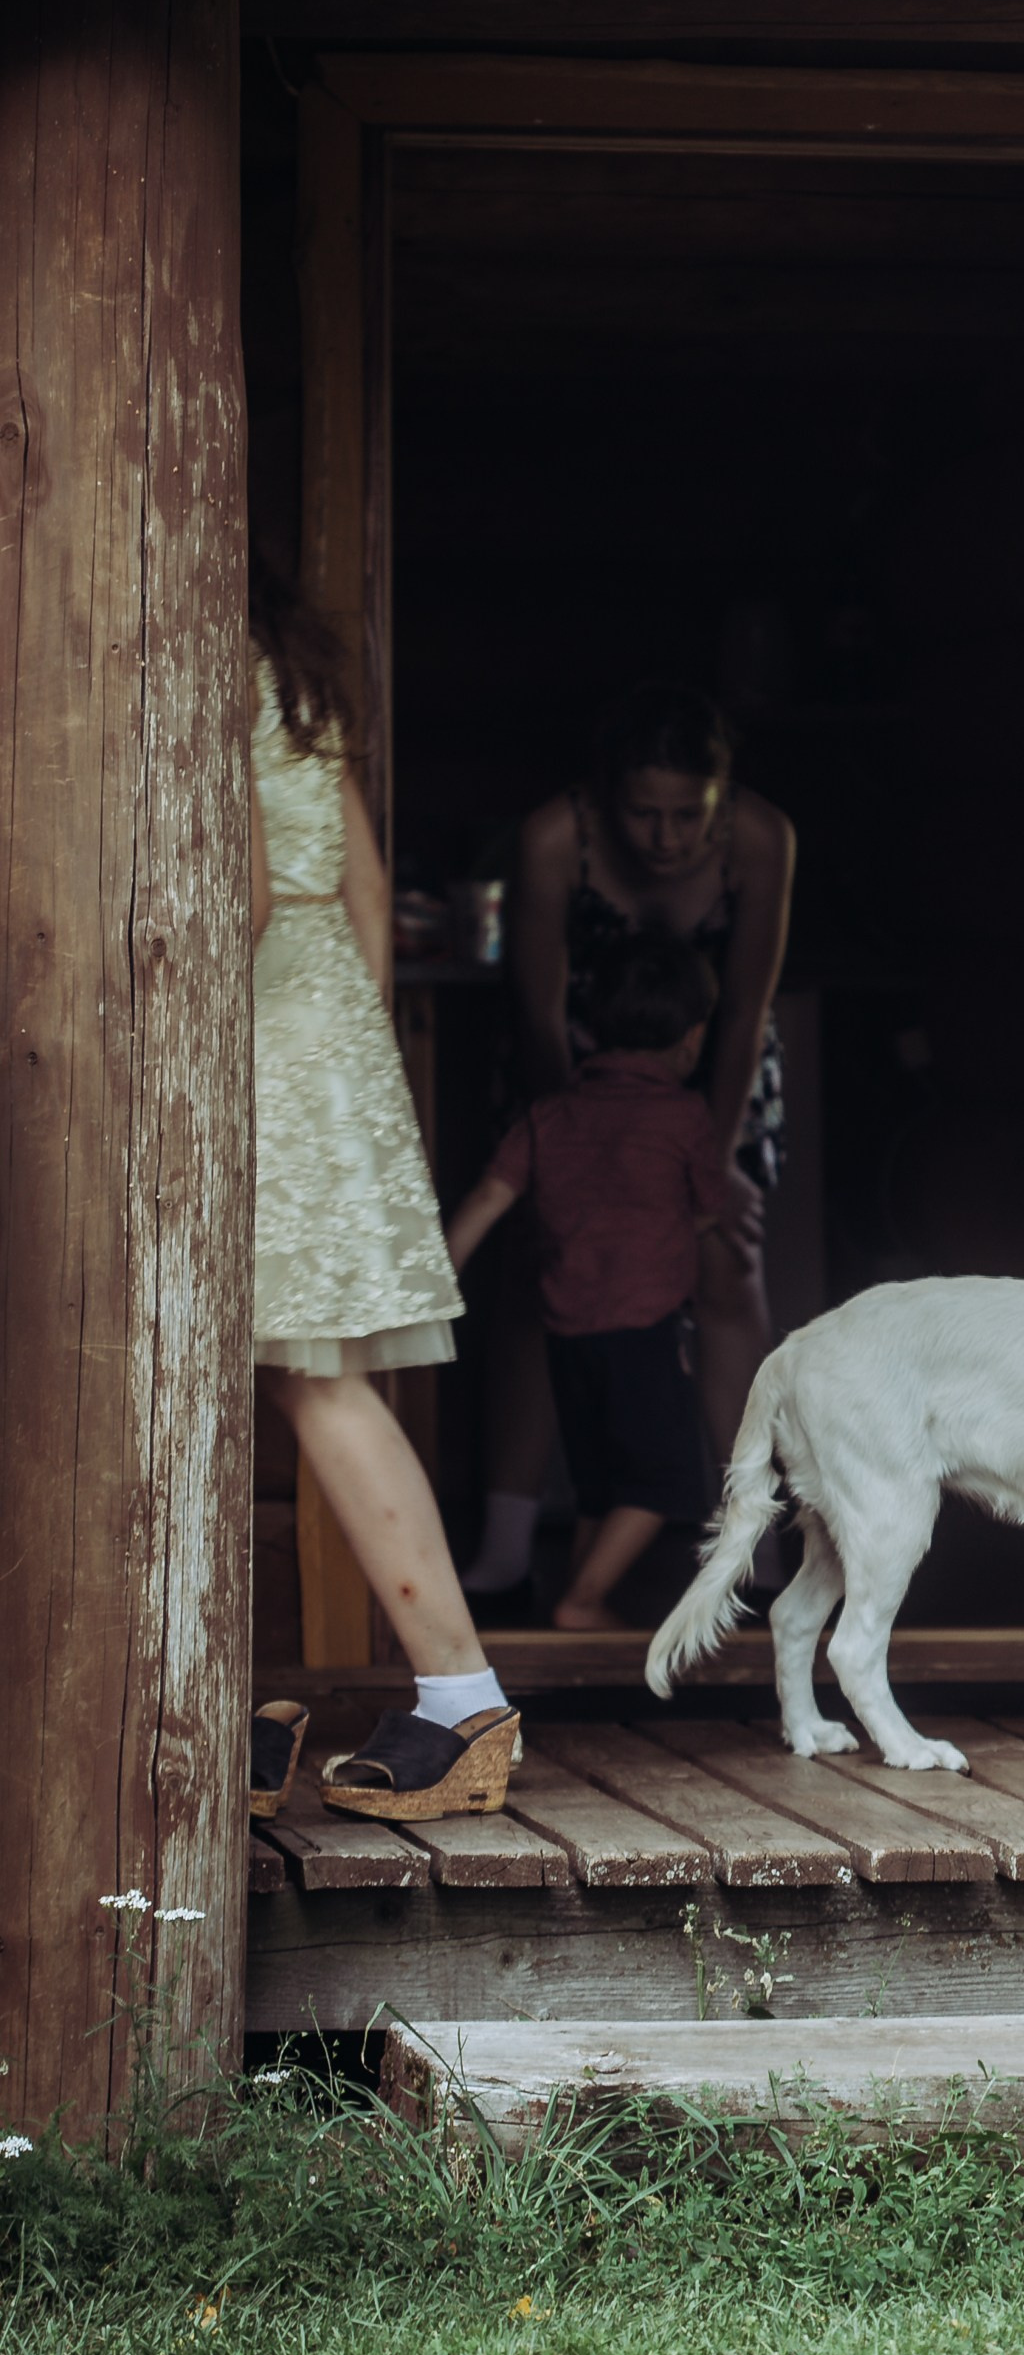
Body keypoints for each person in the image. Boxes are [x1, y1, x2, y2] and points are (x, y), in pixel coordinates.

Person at [247, 551, 518, 1821]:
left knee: (309, 1381)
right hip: (324, 1025)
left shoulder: (178, 671)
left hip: (243, 1022)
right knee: (304, 1376)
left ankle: (459, 1702)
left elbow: (226, 893)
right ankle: (267, 1704)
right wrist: (336, 1054)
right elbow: (358, 889)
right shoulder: (288, 681)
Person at [458, 681, 794, 1594]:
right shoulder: (552, 839)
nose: (665, 836)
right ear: (607, 797)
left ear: (722, 802)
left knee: (728, 1270)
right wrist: (580, 1159)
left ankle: (752, 1544)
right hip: (570, 1080)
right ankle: (504, 1544)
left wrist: (705, 1163)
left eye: (689, 815)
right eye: (643, 813)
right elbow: (536, 1013)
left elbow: (742, 1016)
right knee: (547, 1276)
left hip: (709, 1084)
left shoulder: (763, 841)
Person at [447, 932, 728, 1631]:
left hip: (566, 1333)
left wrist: (432, 1287)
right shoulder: (685, 1116)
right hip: (646, 1326)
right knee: (665, 1481)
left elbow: (486, 1199)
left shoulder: (548, 1116)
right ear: (692, 1040)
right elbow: (706, 1213)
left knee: (601, 1483)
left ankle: (579, 1595)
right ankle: (581, 1603)